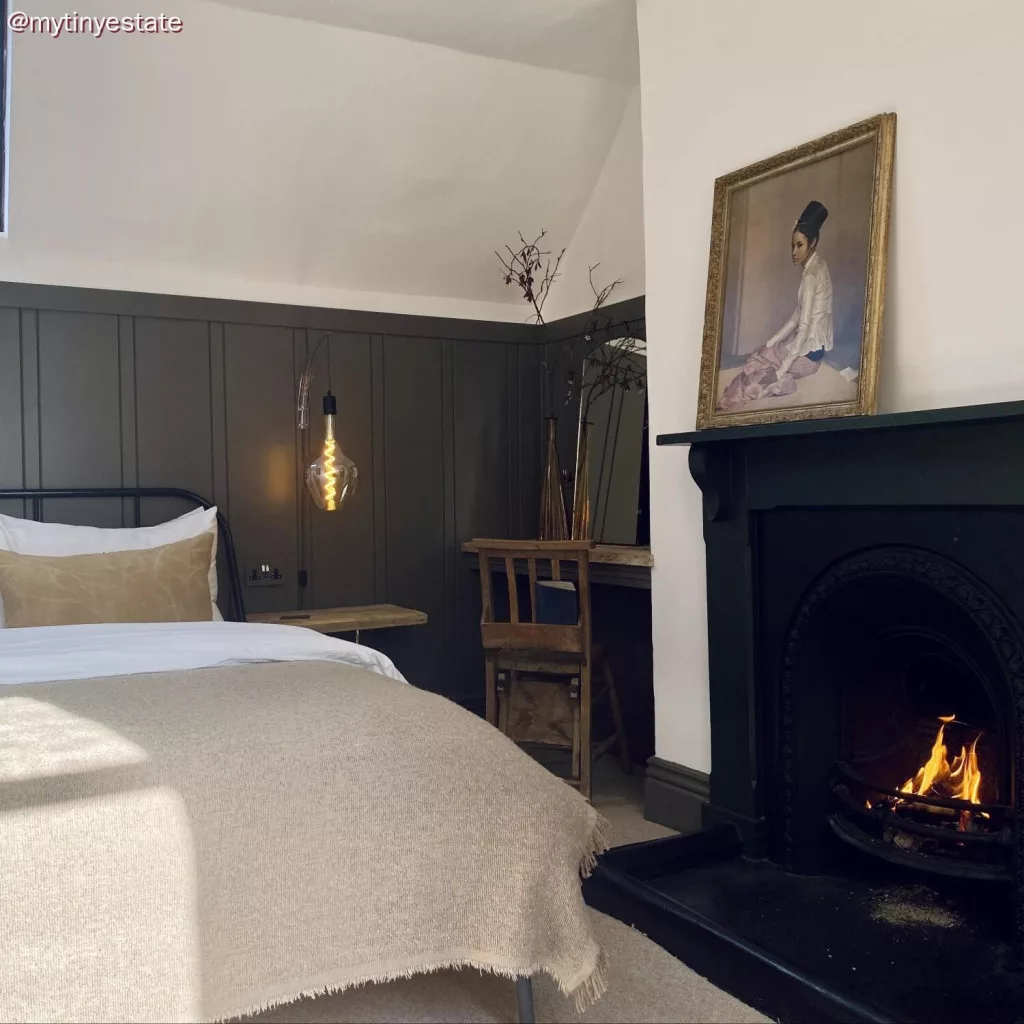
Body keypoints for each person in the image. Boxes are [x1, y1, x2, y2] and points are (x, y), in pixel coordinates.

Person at [718, 200, 834, 411]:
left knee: (760, 373)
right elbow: (797, 316)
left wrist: (781, 369)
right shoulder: (817, 265)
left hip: (809, 357)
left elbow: (804, 327)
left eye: (799, 245)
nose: (794, 252)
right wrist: (772, 341)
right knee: (766, 352)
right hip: (812, 349)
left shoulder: (811, 276)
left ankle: (767, 385)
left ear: (813, 242)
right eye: (792, 246)